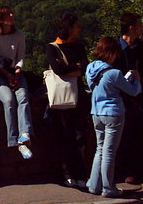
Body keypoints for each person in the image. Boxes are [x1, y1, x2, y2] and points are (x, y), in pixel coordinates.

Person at [86, 37, 141, 198]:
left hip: (96, 112)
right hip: (113, 113)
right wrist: (136, 79)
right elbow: (133, 91)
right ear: (111, 53)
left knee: (100, 149)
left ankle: (94, 184)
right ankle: (109, 188)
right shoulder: (114, 73)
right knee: (109, 152)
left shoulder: (90, 68)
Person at [112, 12, 143, 187]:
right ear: (131, 27)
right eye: (139, 25)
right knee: (126, 137)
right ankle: (128, 172)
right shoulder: (115, 47)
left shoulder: (142, 47)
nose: (142, 28)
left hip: (142, 98)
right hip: (123, 100)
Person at [45, 12, 89, 189]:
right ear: (69, 28)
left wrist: (71, 68)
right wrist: (74, 67)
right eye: (77, 26)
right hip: (63, 98)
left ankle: (81, 174)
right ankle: (67, 174)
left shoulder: (79, 47)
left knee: (79, 136)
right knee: (64, 136)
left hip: (78, 96)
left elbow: (84, 68)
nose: (79, 29)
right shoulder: (52, 47)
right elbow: (58, 69)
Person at [0, 6, 34, 159]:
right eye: (8, 14)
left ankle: (24, 134)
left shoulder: (19, 34)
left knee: (23, 97)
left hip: (15, 73)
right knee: (8, 100)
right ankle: (13, 139)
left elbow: (20, 57)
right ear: (0, 19)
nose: (12, 15)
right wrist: (6, 75)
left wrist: (17, 72)